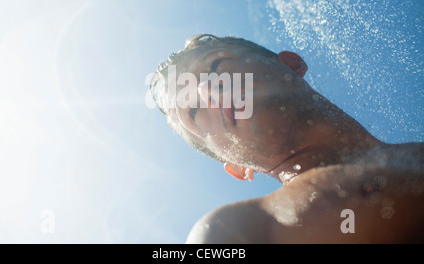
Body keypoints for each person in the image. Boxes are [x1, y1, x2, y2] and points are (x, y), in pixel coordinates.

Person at [149, 34, 424, 243]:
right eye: (194, 110)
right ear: (237, 167)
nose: (208, 88)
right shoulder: (233, 229)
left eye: (217, 65)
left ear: (292, 64)